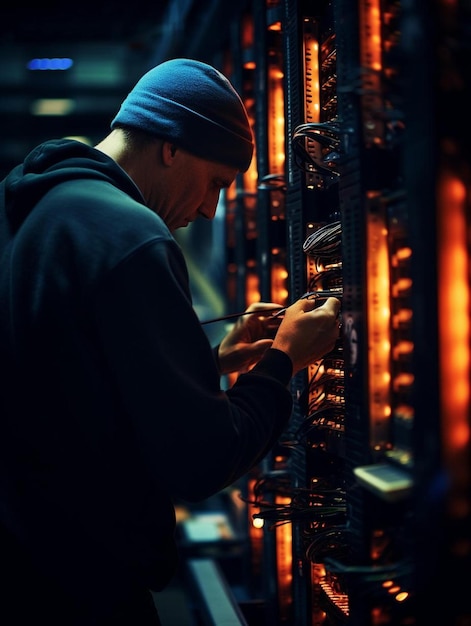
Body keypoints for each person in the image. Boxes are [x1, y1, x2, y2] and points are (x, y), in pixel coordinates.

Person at [0, 58, 341, 625]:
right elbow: (200, 461)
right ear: (170, 145)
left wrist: (212, 362)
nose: (209, 210)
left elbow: (75, 392)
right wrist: (284, 361)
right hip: (85, 587)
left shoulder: (33, 209)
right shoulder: (131, 235)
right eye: (215, 184)